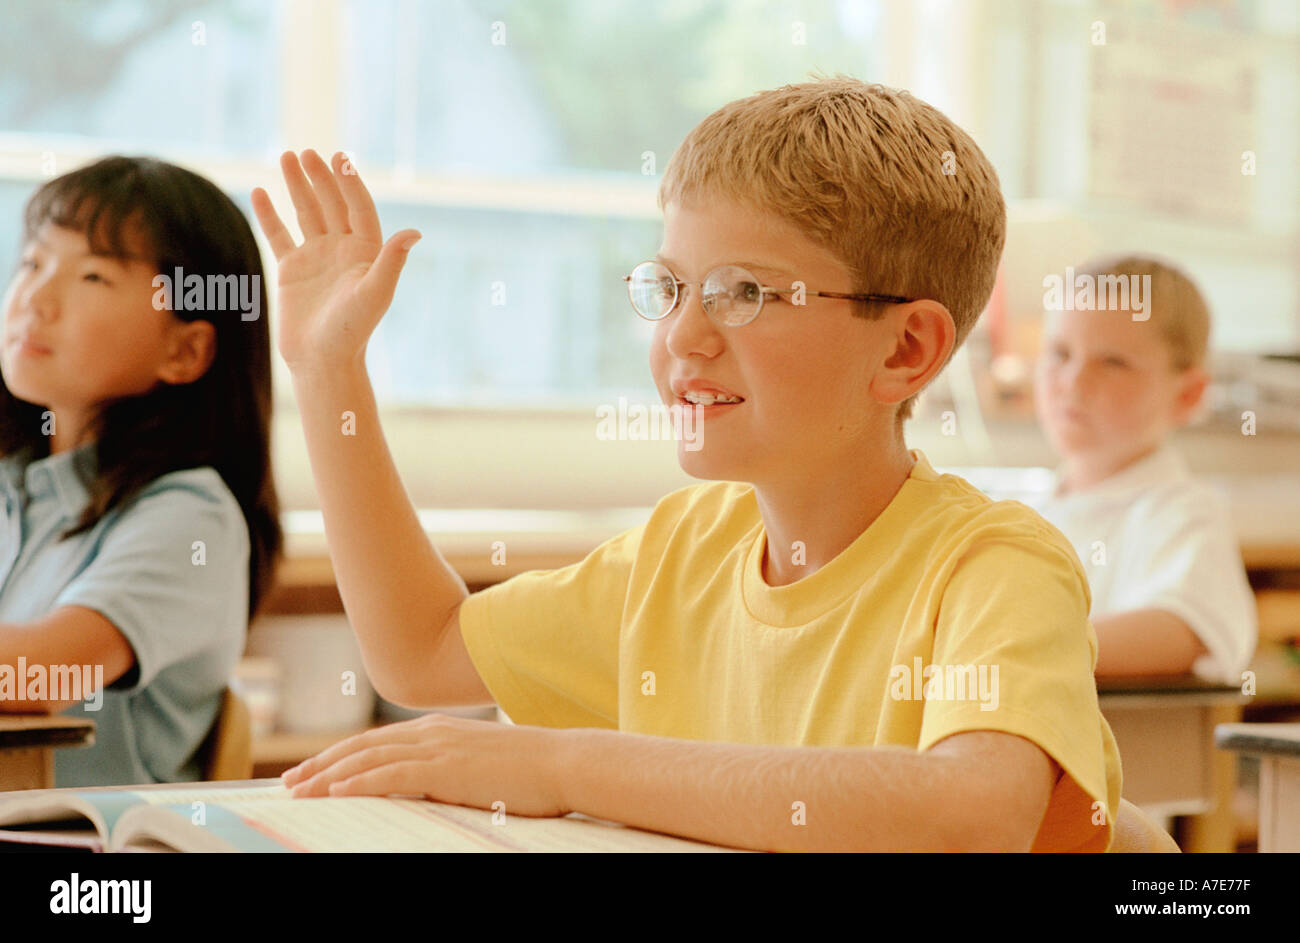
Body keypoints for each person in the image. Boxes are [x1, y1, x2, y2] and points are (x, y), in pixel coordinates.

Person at [262, 77, 1121, 852]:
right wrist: (328, 370)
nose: (682, 336)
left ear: (905, 348)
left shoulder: (995, 565)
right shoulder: (683, 550)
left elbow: (972, 814)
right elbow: (421, 651)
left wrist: (567, 767)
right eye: (670, 287)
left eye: (742, 292)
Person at [0, 156, 281, 786]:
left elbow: (41, 674)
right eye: (32, 263)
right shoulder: (13, 483)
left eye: (93, 276)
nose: (36, 299)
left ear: (184, 350)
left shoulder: (191, 518)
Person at [1032, 254, 1257, 683]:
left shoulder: (1182, 512)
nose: (1073, 381)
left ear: (1188, 395)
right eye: (1060, 353)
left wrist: (1015, 652)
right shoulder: (1022, 511)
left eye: (1113, 362)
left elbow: (1182, 630)